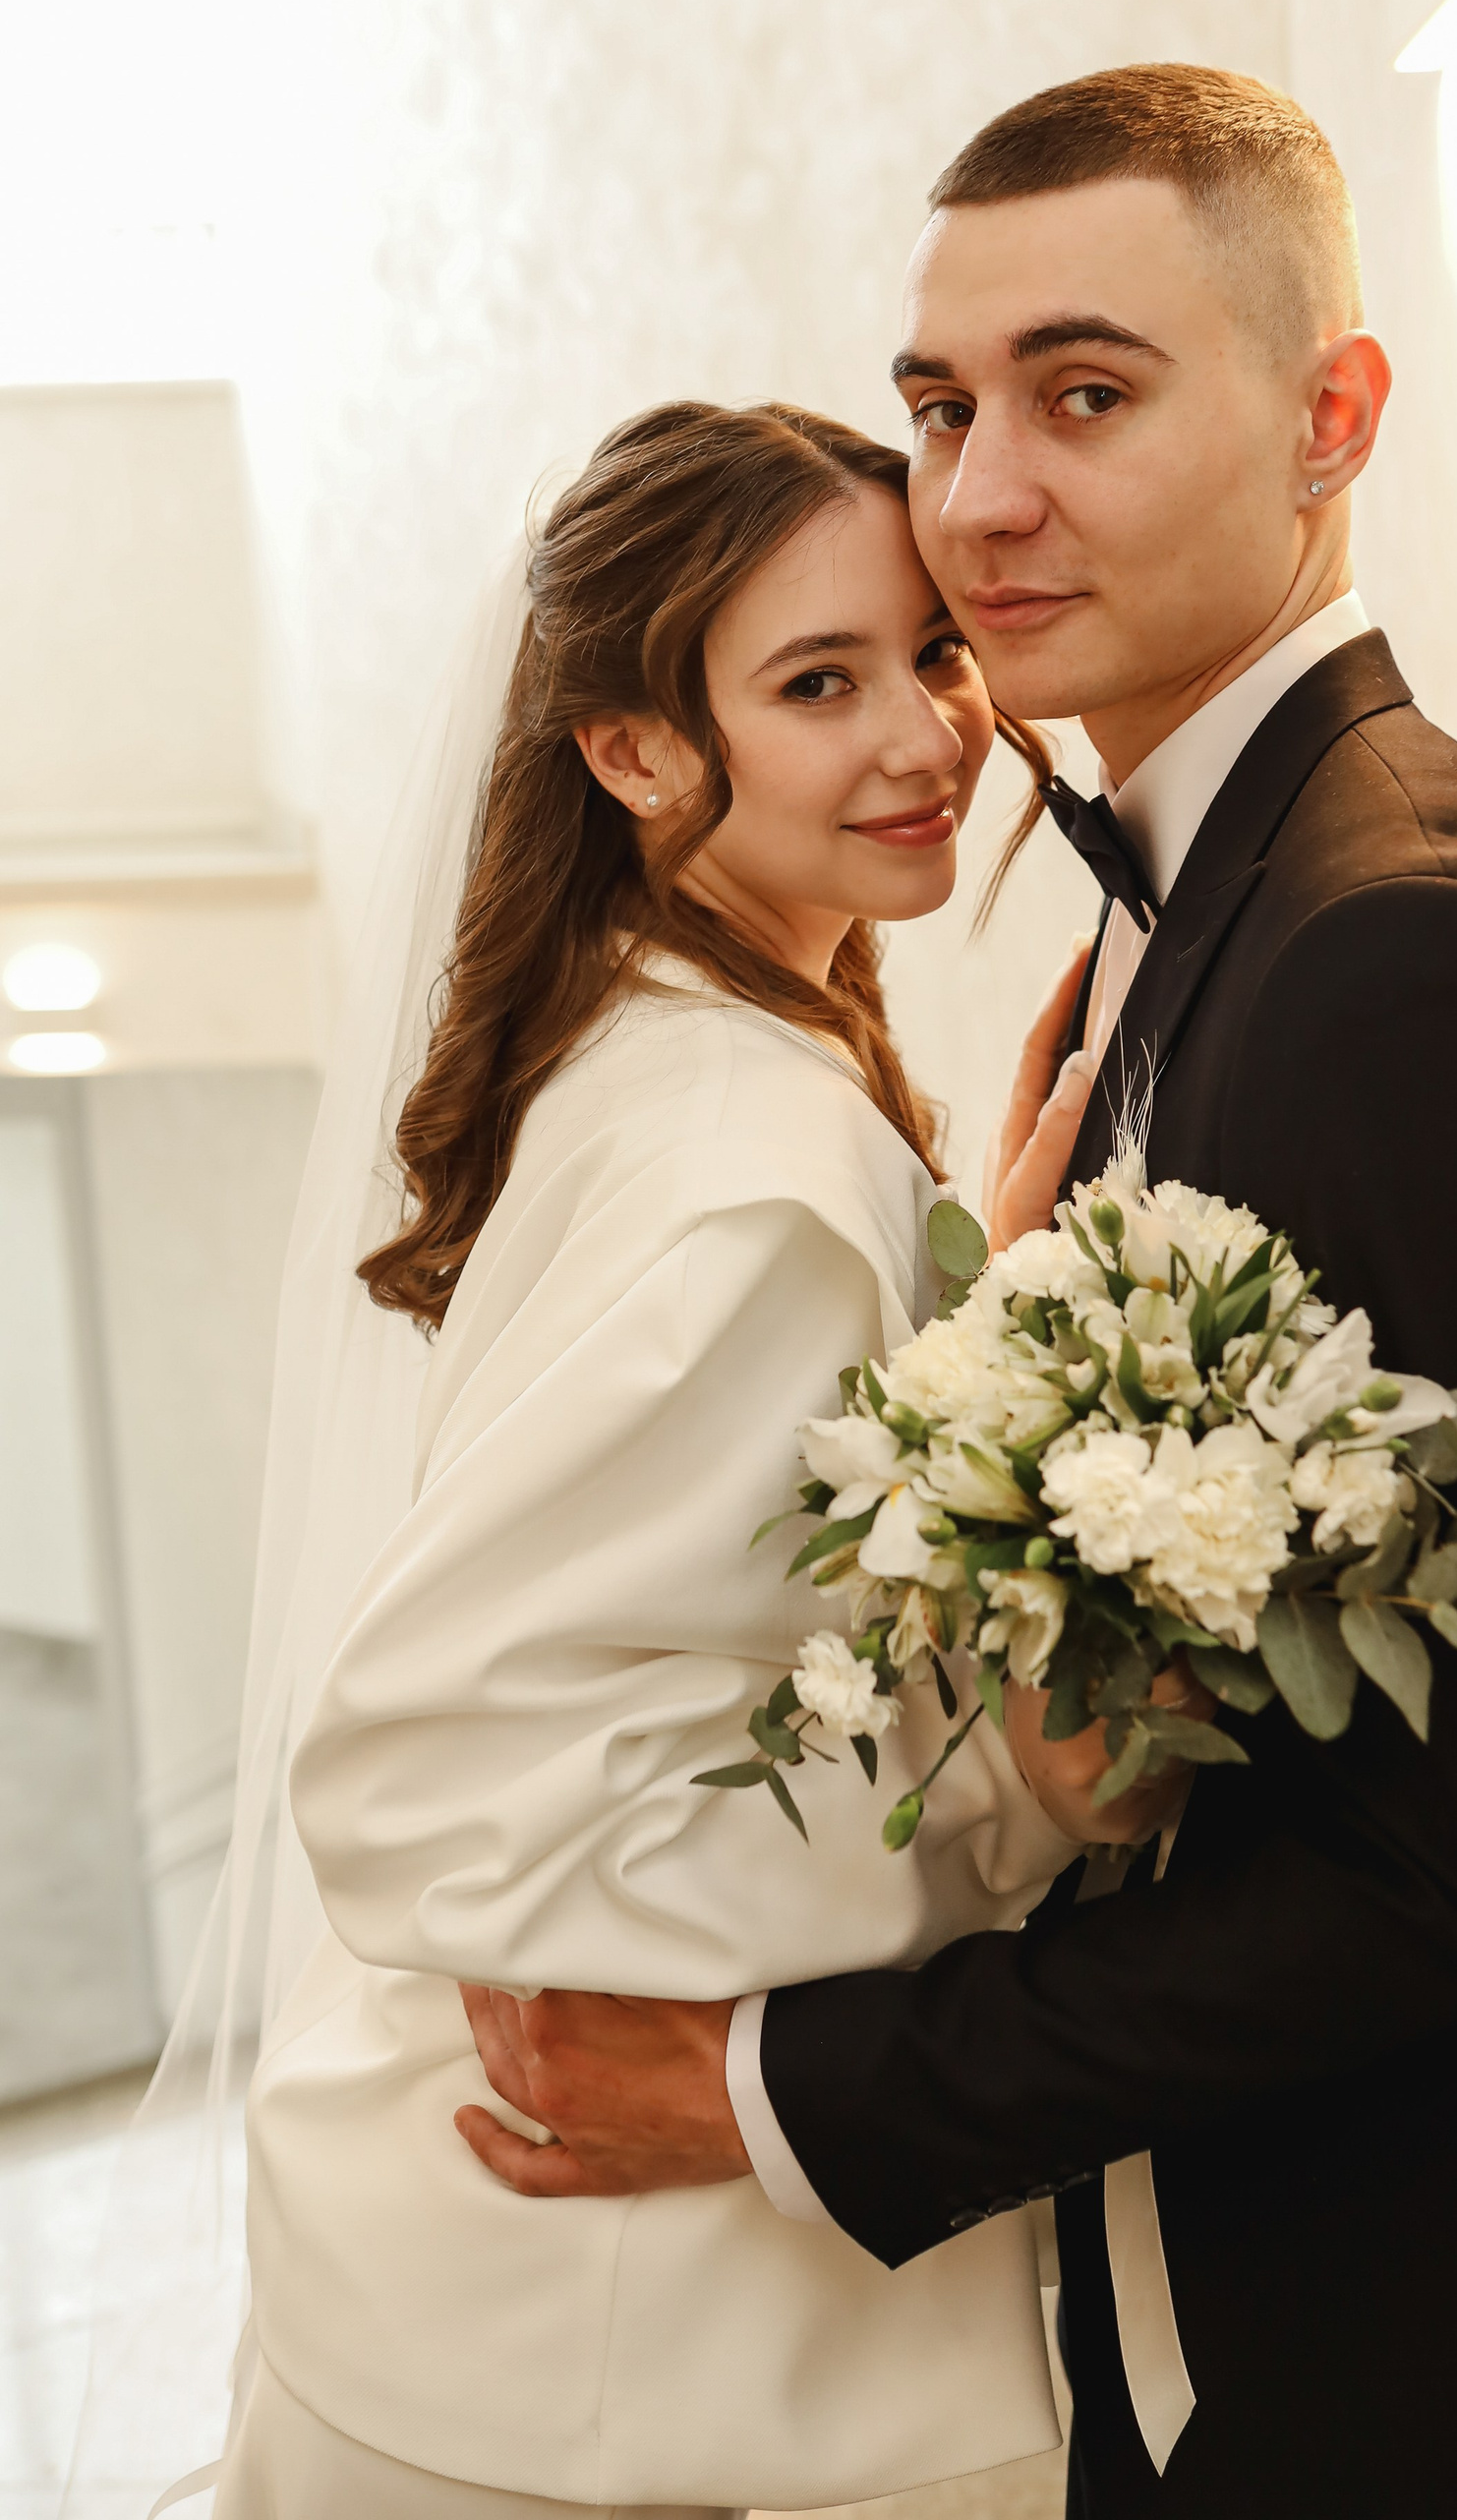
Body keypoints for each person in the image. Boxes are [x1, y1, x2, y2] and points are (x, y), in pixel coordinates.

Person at [456, 70, 1457, 2519]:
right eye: (943, 407)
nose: (976, 501)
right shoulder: (1196, 889)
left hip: (1380, 2375)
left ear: (1331, 416)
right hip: (1194, 2302)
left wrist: (759, 2088)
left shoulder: (1415, 949)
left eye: (1084, 395)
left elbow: (1426, 1879)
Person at [213, 400, 1093, 2516]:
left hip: (600, 2320)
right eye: (819, 685)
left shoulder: (698, 1035)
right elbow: (421, 1765)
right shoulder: (743, 1178)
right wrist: (1022, 1803)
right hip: (594, 2343)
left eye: (934, 653)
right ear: (628, 749)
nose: (929, 736)